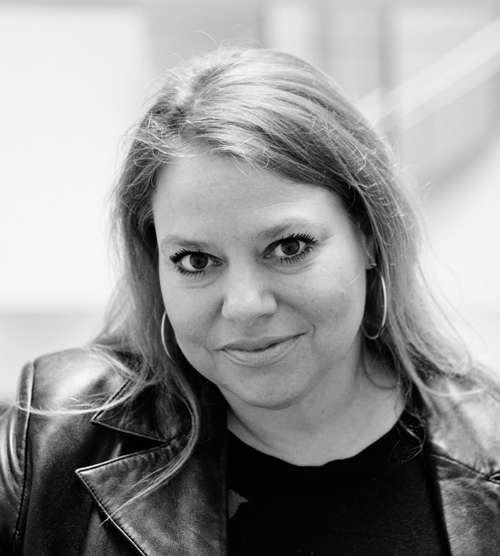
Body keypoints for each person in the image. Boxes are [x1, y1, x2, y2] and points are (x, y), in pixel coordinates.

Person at [1, 47, 499, 556]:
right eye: (196, 260)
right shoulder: (51, 440)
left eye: (289, 248)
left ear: (369, 237)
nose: (244, 305)